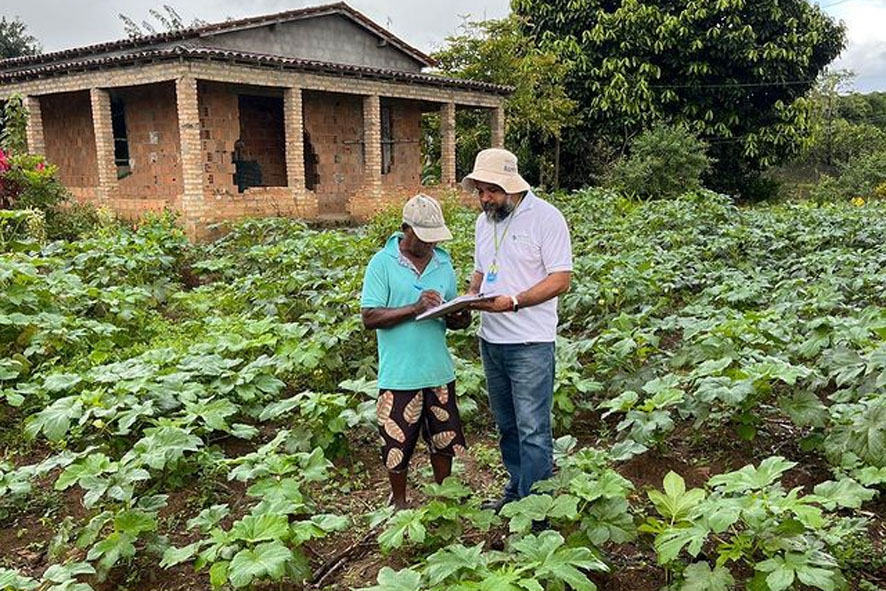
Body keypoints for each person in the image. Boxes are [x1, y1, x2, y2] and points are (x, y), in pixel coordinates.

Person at [463, 148, 573, 511]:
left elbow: (560, 279)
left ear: (511, 185)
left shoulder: (546, 218)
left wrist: (514, 301)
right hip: (491, 339)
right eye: (479, 191)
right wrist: (467, 297)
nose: (484, 198)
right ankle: (516, 491)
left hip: (529, 342)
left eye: (490, 190)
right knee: (507, 425)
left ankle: (537, 508)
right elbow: (481, 271)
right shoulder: (485, 222)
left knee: (533, 429)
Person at [360, 193, 471, 509]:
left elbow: (453, 317)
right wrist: (414, 307)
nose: (431, 245)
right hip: (400, 374)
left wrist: (459, 315)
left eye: (435, 239)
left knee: (443, 440)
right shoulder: (382, 263)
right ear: (405, 229)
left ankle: (444, 497)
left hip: (438, 370)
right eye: (425, 239)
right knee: (397, 445)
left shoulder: (443, 262)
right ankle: (399, 502)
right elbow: (370, 316)